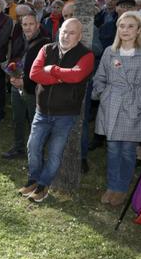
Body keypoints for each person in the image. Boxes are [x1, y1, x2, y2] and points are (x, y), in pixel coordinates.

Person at [92, 12, 141, 206]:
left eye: (131, 26)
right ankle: (112, 186)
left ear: (139, 29)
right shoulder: (109, 51)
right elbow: (99, 77)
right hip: (111, 105)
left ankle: (122, 188)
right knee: (113, 148)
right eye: (122, 26)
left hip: (134, 106)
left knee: (127, 150)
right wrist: (102, 93)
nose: (125, 30)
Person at [19, 18, 94, 202]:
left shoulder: (86, 55)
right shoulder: (46, 49)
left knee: (54, 152)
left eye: (71, 33)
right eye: (64, 31)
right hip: (42, 110)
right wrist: (61, 77)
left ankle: (43, 185)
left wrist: (52, 69)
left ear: (80, 36)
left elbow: (77, 76)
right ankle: (33, 180)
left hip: (65, 114)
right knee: (33, 146)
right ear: (59, 31)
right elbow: (34, 74)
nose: (66, 36)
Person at [2, 11, 50, 159]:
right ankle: (18, 148)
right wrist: (13, 75)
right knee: (17, 119)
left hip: (34, 90)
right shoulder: (20, 40)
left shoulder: (45, 44)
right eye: (25, 24)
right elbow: (16, 59)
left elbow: (45, 71)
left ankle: (36, 153)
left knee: (35, 123)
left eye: (31, 24)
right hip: (17, 86)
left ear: (37, 25)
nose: (28, 27)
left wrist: (25, 82)